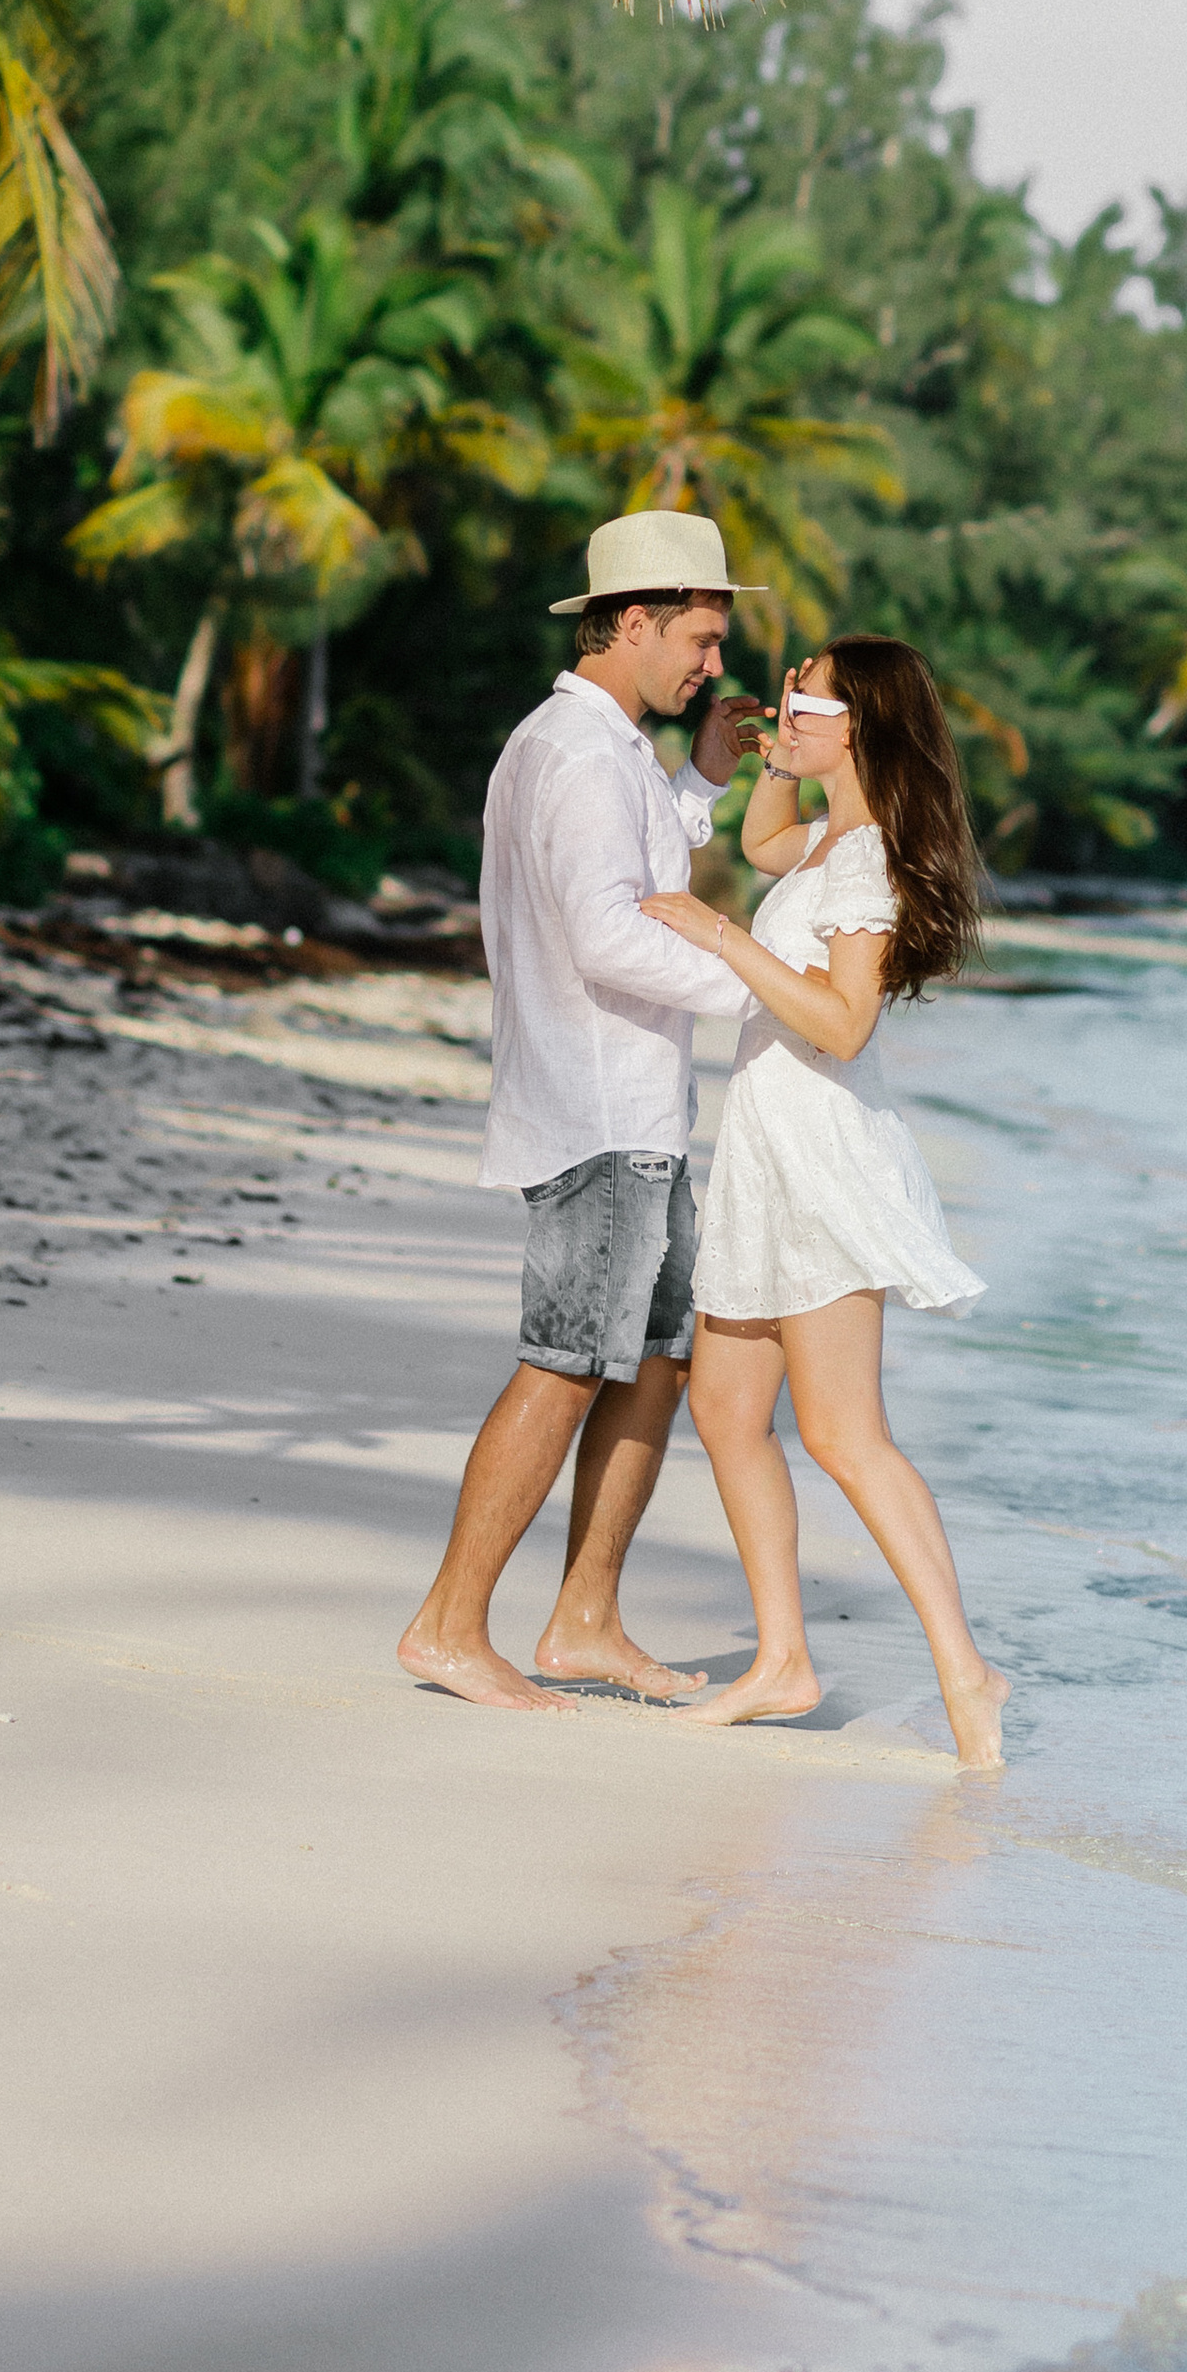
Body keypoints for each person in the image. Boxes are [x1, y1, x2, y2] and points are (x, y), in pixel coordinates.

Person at [396, 513, 761, 1711]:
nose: (714, 665)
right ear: (637, 621)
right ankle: (450, 1627)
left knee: (653, 1365)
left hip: (637, 1113)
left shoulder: (605, 751)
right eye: (701, 640)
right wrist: (764, 992)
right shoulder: (574, 753)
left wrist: (702, 777)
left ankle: (585, 1620)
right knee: (562, 1366)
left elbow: (639, 864)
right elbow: (608, 931)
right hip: (597, 1112)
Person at [640, 636, 1008, 1769]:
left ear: (865, 725)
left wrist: (716, 934)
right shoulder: (827, 845)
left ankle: (966, 1670)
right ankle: (783, 1662)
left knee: (846, 1435)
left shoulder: (868, 865)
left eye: (809, 698)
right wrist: (777, 759)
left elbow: (843, 1023)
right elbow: (759, 841)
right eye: (789, 691)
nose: (785, 705)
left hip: (822, 1161)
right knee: (726, 1415)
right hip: (765, 1153)